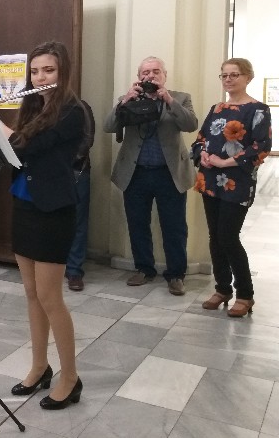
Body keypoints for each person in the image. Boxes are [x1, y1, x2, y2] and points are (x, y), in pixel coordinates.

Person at [0, 41, 84, 410]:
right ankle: (40, 366)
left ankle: (70, 377)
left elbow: (24, 146)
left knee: (50, 297)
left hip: (53, 210)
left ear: (63, 72)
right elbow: (13, 151)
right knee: (31, 292)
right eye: (36, 71)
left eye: (49, 71)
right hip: (25, 205)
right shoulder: (33, 108)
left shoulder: (72, 112)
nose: (40, 77)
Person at [102, 56, 198, 296]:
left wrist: (168, 100)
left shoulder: (180, 98)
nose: (150, 76)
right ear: (139, 77)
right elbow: (108, 126)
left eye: (156, 71)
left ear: (164, 75)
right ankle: (144, 268)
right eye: (145, 72)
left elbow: (190, 125)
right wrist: (125, 101)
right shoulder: (128, 99)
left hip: (170, 174)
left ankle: (176, 274)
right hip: (135, 174)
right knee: (137, 224)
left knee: (174, 226)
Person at [191, 58, 271, 317]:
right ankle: (222, 288)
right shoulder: (216, 109)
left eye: (234, 75)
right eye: (224, 75)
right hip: (210, 180)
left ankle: (245, 294)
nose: (228, 79)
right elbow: (200, 140)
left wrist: (226, 162)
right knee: (215, 237)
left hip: (238, 182)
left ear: (248, 77)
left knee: (228, 237)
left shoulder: (258, 110)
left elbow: (261, 147)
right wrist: (203, 154)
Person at [65, 101, 95, 291]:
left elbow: (87, 138)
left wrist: (65, 162)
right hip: (47, 173)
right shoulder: (39, 106)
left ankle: (74, 270)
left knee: (78, 222)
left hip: (76, 170)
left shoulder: (80, 106)